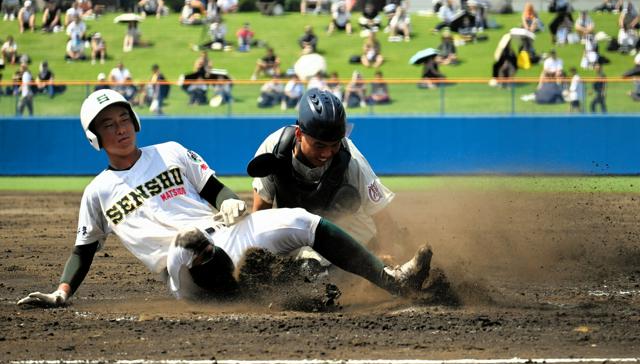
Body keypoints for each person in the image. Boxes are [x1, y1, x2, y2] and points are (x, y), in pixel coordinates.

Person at [17, 90, 433, 306]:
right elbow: (84, 250)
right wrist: (62, 291)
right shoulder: (97, 192)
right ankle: (266, 290)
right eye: (109, 125)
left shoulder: (172, 151)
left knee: (303, 222)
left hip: (223, 232)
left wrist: (229, 201)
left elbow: (216, 190)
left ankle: (392, 281)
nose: (121, 128)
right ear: (96, 137)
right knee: (190, 243)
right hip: (179, 263)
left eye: (124, 118)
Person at [248, 88, 411, 261]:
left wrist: (386, 257)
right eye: (319, 145)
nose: (327, 153)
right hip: (298, 232)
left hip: (351, 234)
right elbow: (259, 213)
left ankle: (401, 242)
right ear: (299, 134)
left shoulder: (351, 160)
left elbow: (382, 218)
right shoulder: (275, 149)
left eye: (334, 145)